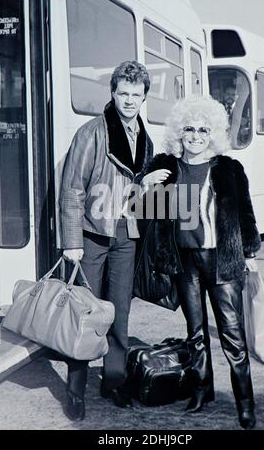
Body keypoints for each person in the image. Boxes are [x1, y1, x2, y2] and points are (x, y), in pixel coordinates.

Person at [139, 94, 261, 429]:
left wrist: (250, 253)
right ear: (179, 132)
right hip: (185, 262)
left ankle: (245, 405)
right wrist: (145, 184)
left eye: (203, 129)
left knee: (232, 336)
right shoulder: (165, 165)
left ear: (214, 133)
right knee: (195, 334)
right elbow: (142, 208)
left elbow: (245, 214)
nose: (195, 135)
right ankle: (201, 392)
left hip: (222, 261)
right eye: (189, 129)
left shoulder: (229, 168)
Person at [59, 60, 153, 420]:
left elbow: (140, 194)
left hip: (125, 237)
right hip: (91, 237)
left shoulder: (144, 136)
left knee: (119, 313)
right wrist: (71, 241)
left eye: (136, 94)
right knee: (85, 316)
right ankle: (75, 390)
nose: (129, 100)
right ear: (112, 93)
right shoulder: (91, 133)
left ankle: (113, 381)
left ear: (144, 97)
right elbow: (72, 190)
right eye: (123, 93)